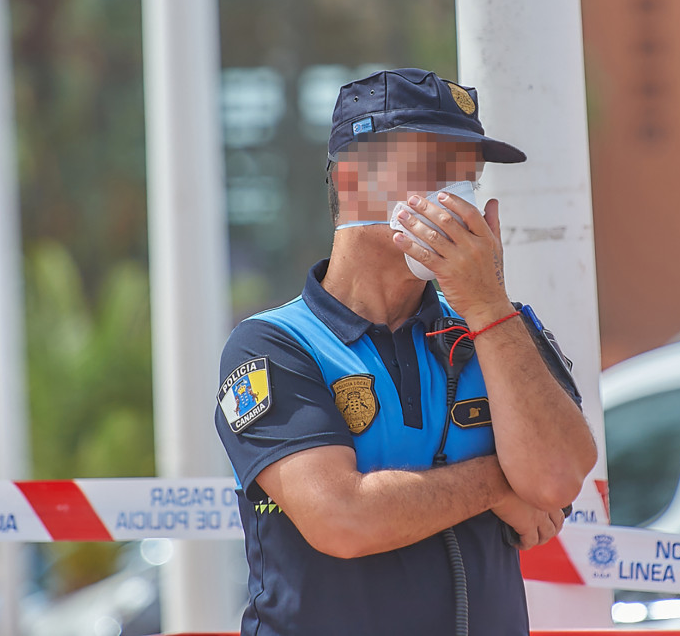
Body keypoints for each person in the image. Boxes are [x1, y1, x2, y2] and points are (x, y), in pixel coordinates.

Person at [214, 67, 597, 636]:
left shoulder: (496, 329)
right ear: (350, 181)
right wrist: (502, 482)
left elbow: (560, 477)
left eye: (467, 176)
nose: (458, 197)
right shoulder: (273, 345)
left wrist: (488, 305)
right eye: (434, 170)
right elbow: (344, 520)